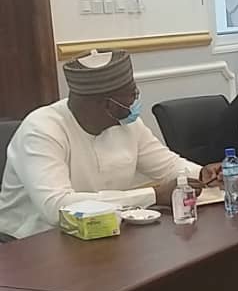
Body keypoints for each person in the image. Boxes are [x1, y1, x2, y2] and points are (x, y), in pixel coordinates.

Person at [0, 50, 222, 240]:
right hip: (32, 243)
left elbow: (167, 165)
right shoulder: (41, 130)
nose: (135, 101)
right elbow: (57, 207)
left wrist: (201, 174)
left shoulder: (127, 123)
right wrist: (154, 195)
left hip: (102, 232)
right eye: (132, 94)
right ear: (107, 104)